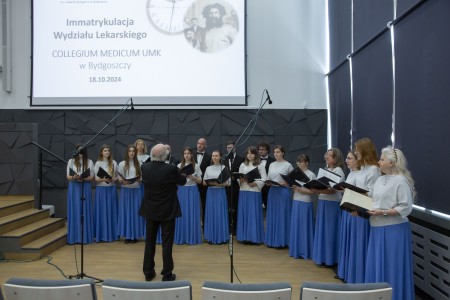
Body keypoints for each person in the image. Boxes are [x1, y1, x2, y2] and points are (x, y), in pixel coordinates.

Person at [365, 146, 415, 300]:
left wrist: (383, 212)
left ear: (392, 163)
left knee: (393, 268)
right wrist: (359, 209)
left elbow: (406, 207)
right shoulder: (380, 179)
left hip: (394, 231)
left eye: (382, 159)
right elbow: (372, 200)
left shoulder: (401, 181)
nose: (378, 162)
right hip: (377, 229)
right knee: (377, 265)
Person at [140, 144, 187, 282]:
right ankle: (167, 274)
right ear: (165, 156)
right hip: (167, 209)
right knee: (167, 243)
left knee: (149, 242)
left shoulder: (145, 167)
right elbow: (182, 181)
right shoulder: (171, 168)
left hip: (150, 209)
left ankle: (148, 272)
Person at [345, 138, 381, 283]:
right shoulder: (363, 169)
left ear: (364, 150)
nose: (355, 152)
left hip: (365, 211)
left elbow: (374, 194)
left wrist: (358, 195)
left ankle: (362, 278)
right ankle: (355, 276)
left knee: (362, 246)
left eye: (357, 149)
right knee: (356, 246)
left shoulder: (373, 170)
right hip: (357, 209)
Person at [311, 148, 345, 266]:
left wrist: (316, 190)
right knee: (323, 231)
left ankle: (331, 259)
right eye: (326, 155)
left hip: (332, 204)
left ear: (335, 159)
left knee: (330, 232)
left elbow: (334, 190)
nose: (326, 157)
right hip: (323, 202)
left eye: (329, 155)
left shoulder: (338, 170)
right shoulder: (325, 169)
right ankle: (323, 257)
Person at [236, 146, 267, 244]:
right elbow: (238, 177)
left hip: (254, 192)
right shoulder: (243, 165)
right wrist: (240, 180)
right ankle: (244, 237)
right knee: (244, 213)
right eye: (248, 153)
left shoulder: (260, 165)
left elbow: (264, 179)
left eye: (252, 153)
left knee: (253, 213)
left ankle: (254, 238)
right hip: (244, 191)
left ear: (256, 154)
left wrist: (256, 183)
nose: (249, 155)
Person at [336, 150, 360, 280]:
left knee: (352, 242)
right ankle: (345, 271)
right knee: (346, 241)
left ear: (357, 160)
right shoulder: (350, 174)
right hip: (347, 209)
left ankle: (351, 272)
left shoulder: (360, 174)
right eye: (346, 158)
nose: (346, 160)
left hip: (354, 212)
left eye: (350, 158)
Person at [264, 145, 293, 249]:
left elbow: (292, 181)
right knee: (273, 214)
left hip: (283, 192)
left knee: (282, 215)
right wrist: (268, 182)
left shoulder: (288, 165)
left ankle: (283, 241)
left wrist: (285, 182)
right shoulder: (271, 164)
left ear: (283, 153)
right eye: (274, 152)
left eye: (278, 152)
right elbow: (268, 177)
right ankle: (272, 240)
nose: (276, 154)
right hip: (273, 191)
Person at [66, 144, 95, 244]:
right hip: (74, 187)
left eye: (82, 151)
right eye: (79, 151)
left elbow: (92, 177)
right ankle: (74, 237)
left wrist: (83, 178)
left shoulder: (89, 161)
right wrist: (75, 177)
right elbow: (68, 177)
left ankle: (85, 237)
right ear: (76, 151)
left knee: (84, 210)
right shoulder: (71, 161)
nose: (81, 153)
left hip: (85, 186)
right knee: (75, 210)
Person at [289, 154, 316, 259]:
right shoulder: (295, 174)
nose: (299, 163)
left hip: (305, 202)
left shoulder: (311, 175)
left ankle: (305, 251)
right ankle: (296, 250)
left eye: (301, 161)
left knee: (305, 227)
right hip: (296, 201)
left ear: (307, 163)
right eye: (297, 161)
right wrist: (294, 188)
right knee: (296, 226)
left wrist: (300, 189)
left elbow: (312, 191)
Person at [174, 147, 203, 245]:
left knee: (192, 212)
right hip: (181, 191)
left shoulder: (196, 166)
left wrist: (192, 177)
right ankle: (181, 237)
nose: (186, 155)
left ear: (191, 155)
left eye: (188, 153)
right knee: (181, 213)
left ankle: (192, 238)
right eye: (185, 153)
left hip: (192, 190)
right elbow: (175, 181)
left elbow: (200, 181)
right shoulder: (178, 165)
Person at [117, 145, 144, 244]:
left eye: (133, 151)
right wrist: (122, 182)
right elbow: (119, 178)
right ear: (127, 153)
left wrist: (139, 179)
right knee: (126, 212)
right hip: (126, 191)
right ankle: (127, 236)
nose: (131, 153)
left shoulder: (139, 164)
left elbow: (142, 178)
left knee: (135, 213)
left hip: (136, 190)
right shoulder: (122, 164)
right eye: (130, 151)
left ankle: (135, 236)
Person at [203, 150, 230, 245]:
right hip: (210, 193)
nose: (214, 157)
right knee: (211, 214)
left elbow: (229, 183)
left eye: (216, 156)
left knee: (220, 213)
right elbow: (203, 182)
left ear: (220, 157)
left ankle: (221, 237)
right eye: (213, 156)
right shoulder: (208, 168)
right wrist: (209, 182)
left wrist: (217, 184)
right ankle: (210, 237)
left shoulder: (224, 168)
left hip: (220, 192)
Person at [93, 144, 119, 242]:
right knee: (102, 212)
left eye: (108, 150)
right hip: (101, 190)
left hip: (111, 188)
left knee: (111, 211)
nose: (107, 152)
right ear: (101, 152)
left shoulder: (114, 163)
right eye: (105, 151)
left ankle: (112, 234)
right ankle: (101, 235)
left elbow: (117, 177)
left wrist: (114, 179)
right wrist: (103, 179)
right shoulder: (98, 163)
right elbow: (96, 178)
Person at [225, 140, 244, 235]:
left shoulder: (241, 159)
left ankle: (236, 228)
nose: (229, 149)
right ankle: (228, 227)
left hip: (236, 187)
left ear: (235, 148)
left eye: (231, 147)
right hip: (226, 187)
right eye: (228, 148)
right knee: (227, 207)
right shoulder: (223, 159)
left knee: (235, 207)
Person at [194, 138, 211, 226]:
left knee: (205, 205)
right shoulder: (191, 155)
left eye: (202, 144)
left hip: (204, 185)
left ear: (205, 145)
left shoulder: (209, 157)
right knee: (192, 206)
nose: (199, 145)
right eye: (198, 143)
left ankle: (205, 226)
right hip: (192, 184)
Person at [258, 142, 275, 209]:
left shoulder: (273, 161)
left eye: (263, 149)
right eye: (259, 149)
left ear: (267, 150)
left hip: (268, 187)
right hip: (257, 186)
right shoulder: (254, 160)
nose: (261, 151)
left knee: (269, 206)